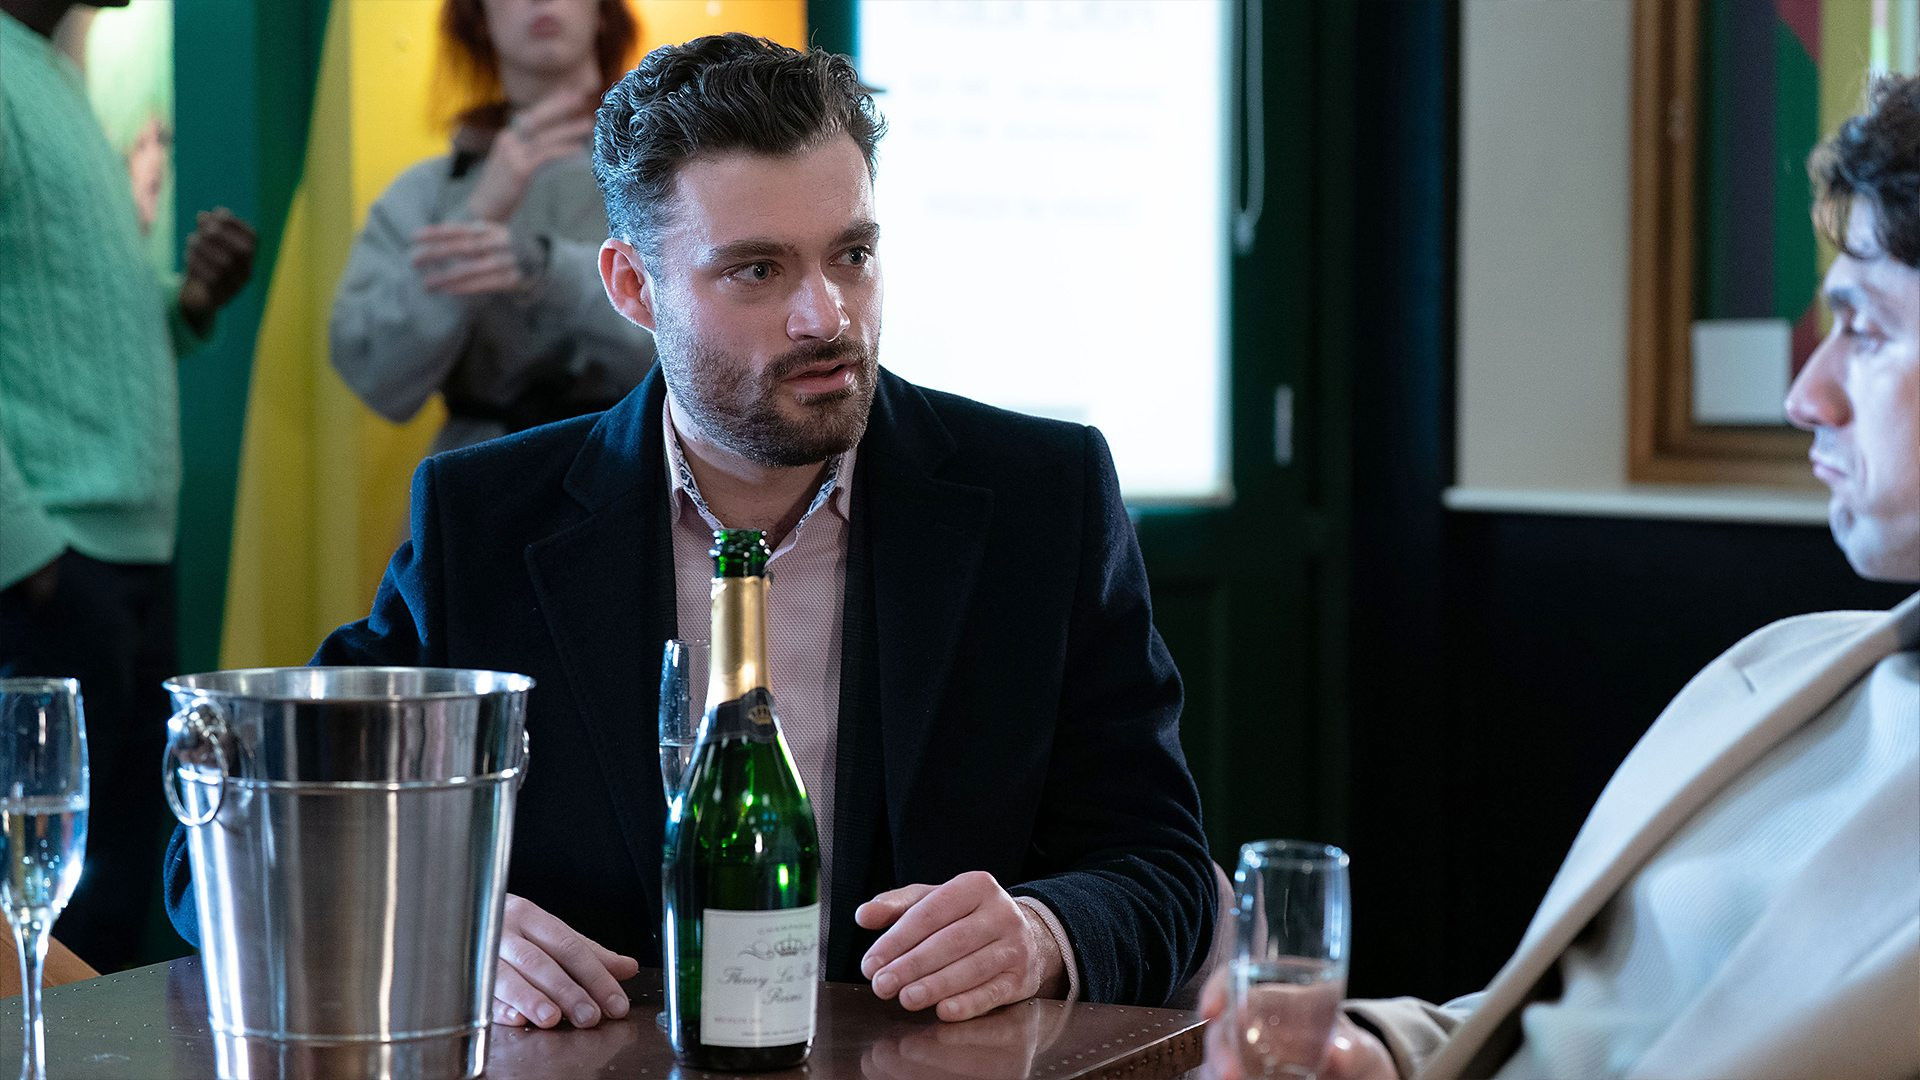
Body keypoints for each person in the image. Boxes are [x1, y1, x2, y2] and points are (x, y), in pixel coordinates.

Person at [166, 33, 1216, 1029]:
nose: (826, 317)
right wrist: (435, 927)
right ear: (633, 287)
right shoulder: (488, 522)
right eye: (757, 270)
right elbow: (219, 846)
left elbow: (1164, 867)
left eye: (852, 254)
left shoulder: (1041, 500)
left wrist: (1042, 933)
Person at [1202, 75, 1920, 1080]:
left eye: (1867, 329)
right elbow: (1566, 1023)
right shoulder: (1787, 669)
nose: (1808, 394)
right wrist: (1379, 1057)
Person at [1, 0, 256, 970]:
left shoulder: (49, 75)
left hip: (114, 553)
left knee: (99, 902)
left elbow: (58, 311)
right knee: (44, 914)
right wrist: (23, 549)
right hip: (50, 562)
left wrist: (186, 303)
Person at [330, 0, 657, 456]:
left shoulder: (670, 175)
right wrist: (479, 213)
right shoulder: (428, 191)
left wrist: (549, 270)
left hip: (646, 460)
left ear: (601, 11)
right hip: (481, 471)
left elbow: (712, 339)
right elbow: (378, 379)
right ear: (479, 18)